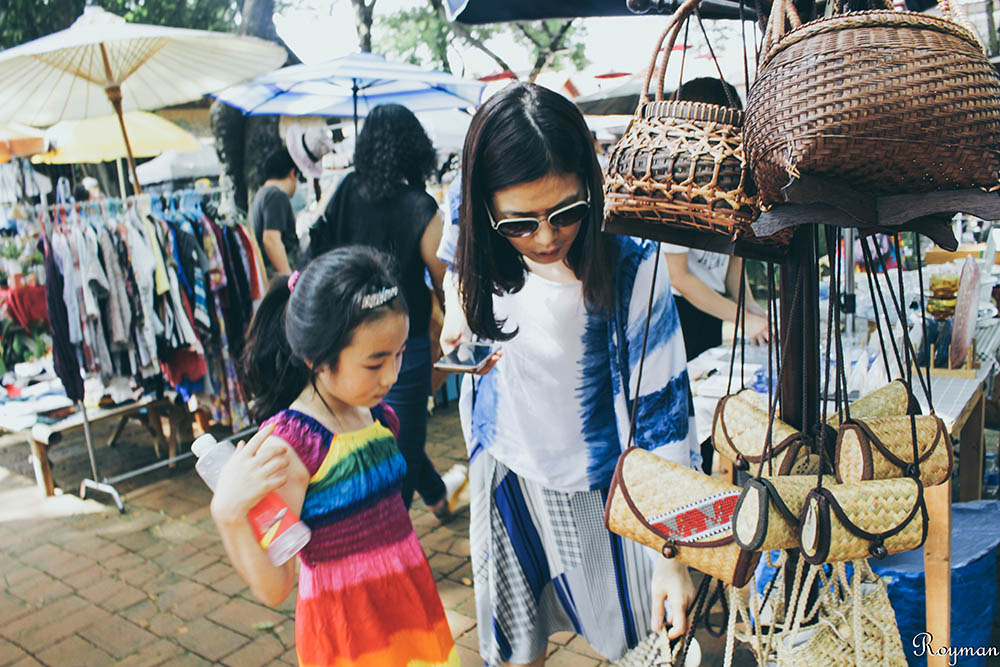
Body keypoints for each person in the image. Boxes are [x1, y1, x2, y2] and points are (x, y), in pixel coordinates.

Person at [439, 82, 700, 666]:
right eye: (519, 224)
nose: (545, 237)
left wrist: (670, 555)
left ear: (590, 183)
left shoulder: (633, 266)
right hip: (506, 467)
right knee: (512, 651)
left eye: (566, 213)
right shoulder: (483, 249)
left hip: (605, 487)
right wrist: (458, 317)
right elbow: (459, 275)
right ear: (485, 211)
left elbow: (664, 416)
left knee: (643, 647)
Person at [211, 246, 459, 667]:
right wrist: (229, 514)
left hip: (409, 602)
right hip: (349, 633)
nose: (393, 376)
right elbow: (276, 586)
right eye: (375, 362)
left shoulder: (380, 416)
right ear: (317, 359)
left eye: (399, 354)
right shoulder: (288, 450)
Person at [305, 104, 467, 520]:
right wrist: (455, 325)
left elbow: (318, 257)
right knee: (403, 443)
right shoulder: (419, 207)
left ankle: (436, 495)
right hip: (400, 345)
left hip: (344, 344)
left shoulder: (343, 192)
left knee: (381, 428)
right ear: (415, 148)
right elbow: (442, 276)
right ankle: (392, 536)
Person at [663, 77, 768, 363]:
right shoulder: (675, 184)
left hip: (712, 303)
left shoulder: (729, 179)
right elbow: (680, 277)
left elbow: (733, 257)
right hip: (677, 310)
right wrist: (743, 318)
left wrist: (749, 305)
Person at [252, 147, 302, 274]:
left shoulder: (262, 193)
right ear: (292, 173)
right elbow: (271, 240)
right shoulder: (276, 196)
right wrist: (289, 279)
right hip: (278, 277)